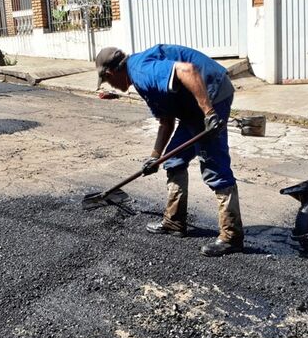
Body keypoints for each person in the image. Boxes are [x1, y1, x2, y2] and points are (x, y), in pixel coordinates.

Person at [95, 44, 244, 257]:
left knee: (214, 167)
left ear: (110, 73)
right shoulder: (140, 79)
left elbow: (187, 70)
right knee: (173, 160)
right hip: (192, 109)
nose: (111, 86)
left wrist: (209, 113)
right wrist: (154, 157)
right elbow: (165, 121)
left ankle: (232, 236)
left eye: (108, 81)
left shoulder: (142, 72)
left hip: (212, 93)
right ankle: (174, 222)